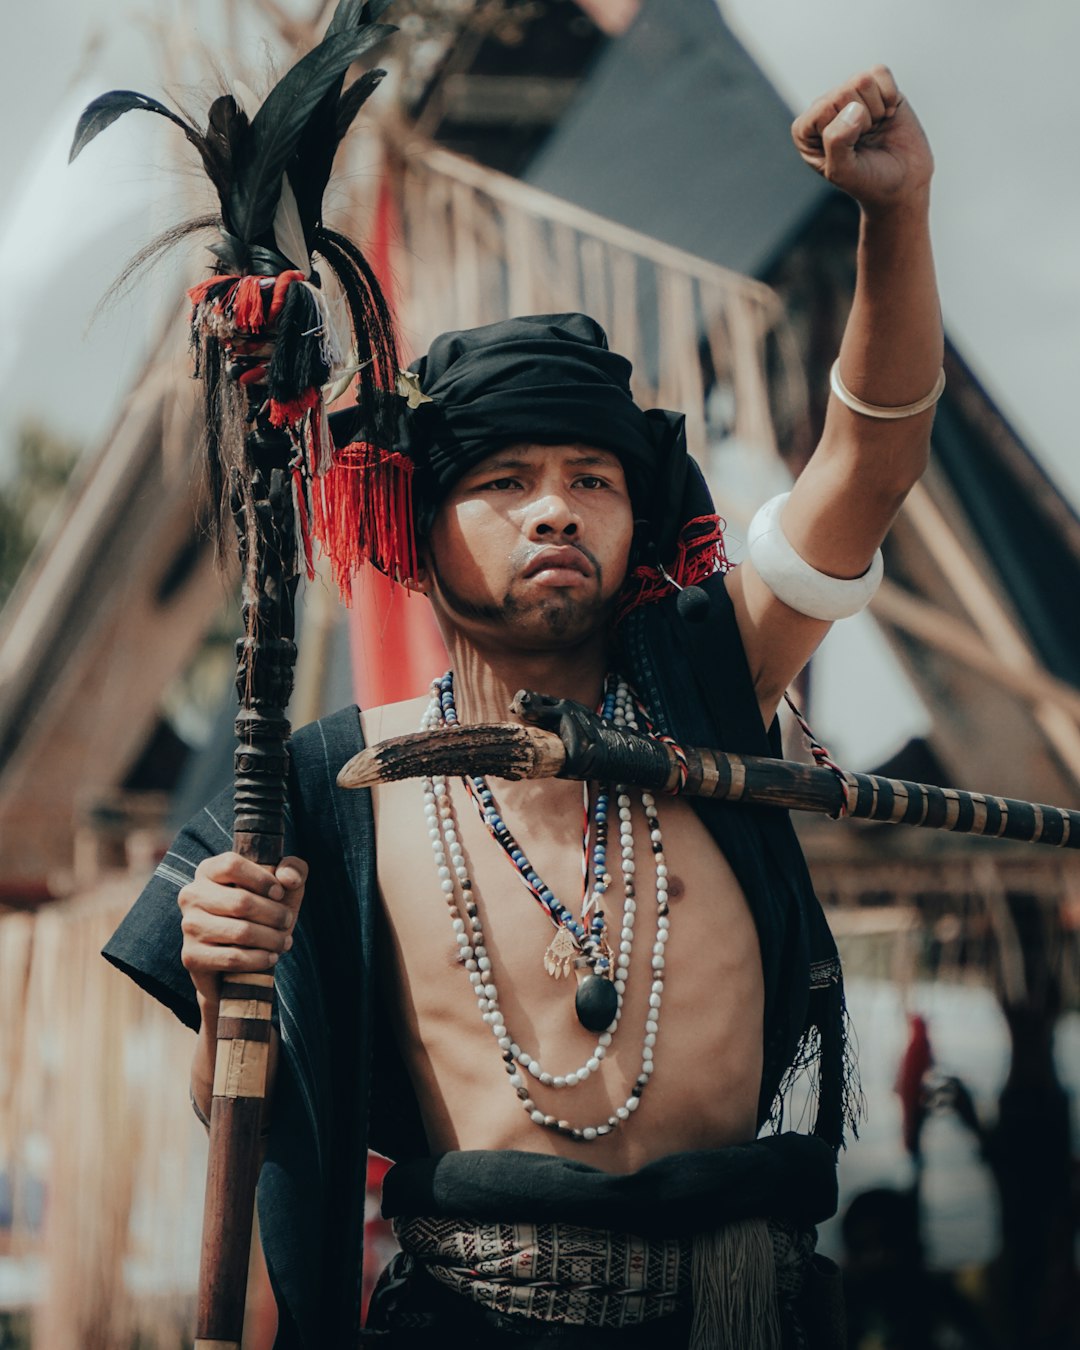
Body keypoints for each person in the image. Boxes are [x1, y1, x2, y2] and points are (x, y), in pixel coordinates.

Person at [104, 66, 942, 1348]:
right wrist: (230, 979)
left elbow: (869, 463)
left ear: (636, 515)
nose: (555, 506)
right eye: (504, 478)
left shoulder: (711, 696)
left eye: (592, 477)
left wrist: (897, 218)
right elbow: (257, 1113)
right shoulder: (334, 789)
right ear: (416, 528)